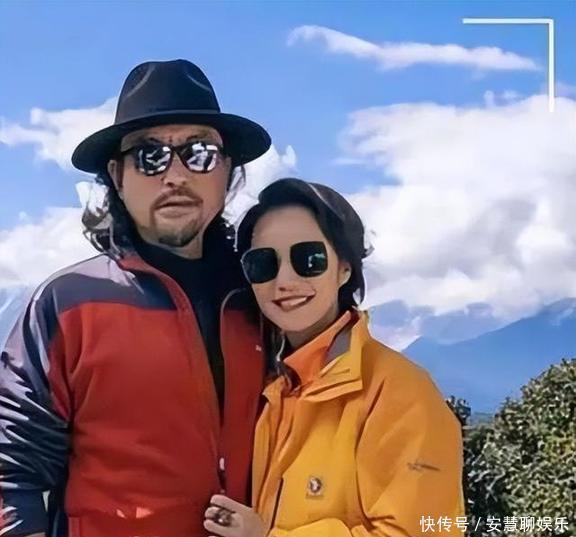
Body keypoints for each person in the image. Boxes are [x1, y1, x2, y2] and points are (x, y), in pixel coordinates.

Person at [0, 59, 271, 537]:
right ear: (117, 176)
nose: (175, 175)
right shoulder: (68, 305)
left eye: (200, 153)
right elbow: (11, 470)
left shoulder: (266, 300)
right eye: (149, 155)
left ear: (227, 170)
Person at [203, 178, 465, 537]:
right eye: (263, 264)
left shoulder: (401, 394)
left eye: (308, 259)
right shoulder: (272, 389)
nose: (284, 280)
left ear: (344, 268)